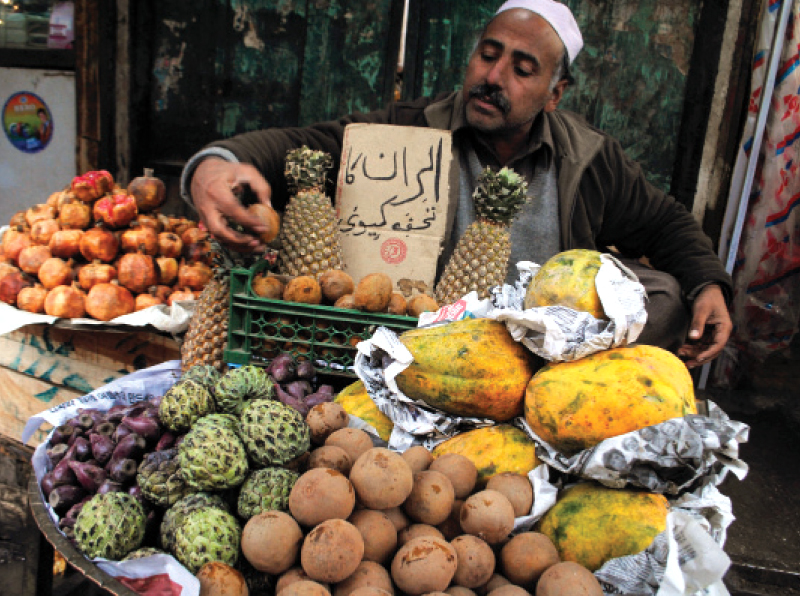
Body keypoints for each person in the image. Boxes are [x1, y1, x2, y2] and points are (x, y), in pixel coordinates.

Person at [180, 0, 733, 368]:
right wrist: (216, 165)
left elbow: (664, 223)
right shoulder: (412, 128)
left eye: (522, 68)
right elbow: (300, 145)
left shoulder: (588, 159)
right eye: (487, 56)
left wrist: (709, 283)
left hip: (531, 358)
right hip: (416, 346)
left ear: (556, 91)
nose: (493, 78)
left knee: (662, 296)